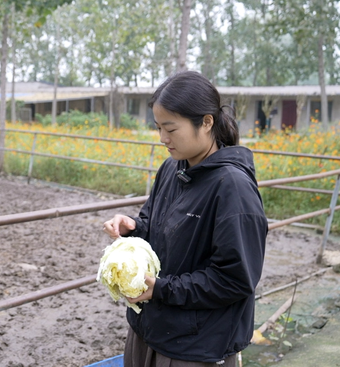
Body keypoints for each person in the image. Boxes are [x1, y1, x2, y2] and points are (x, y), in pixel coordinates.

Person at [102, 71, 267, 367]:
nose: (163, 138)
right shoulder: (172, 168)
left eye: (171, 128)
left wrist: (162, 288)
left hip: (195, 345)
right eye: (158, 128)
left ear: (206, 122)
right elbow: (152, 220)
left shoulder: (232, 188)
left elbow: (235, 278)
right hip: (149, 328)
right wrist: (134, 228)